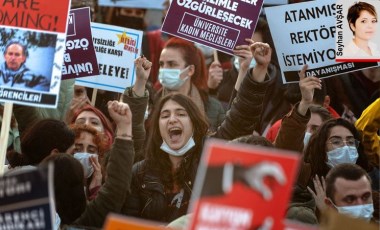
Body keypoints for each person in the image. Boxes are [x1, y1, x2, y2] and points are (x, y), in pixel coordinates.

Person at [121, 40, 272, 223]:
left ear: (194, 124)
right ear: (156, 126)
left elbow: (240, 120)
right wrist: (139, 83)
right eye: (165, 115)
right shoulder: (140, 173)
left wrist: (259, 71)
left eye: (181, 114)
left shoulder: (210, 157)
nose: (172, 119)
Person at [154, 37, 226, 132]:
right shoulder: (152, 102)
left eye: (172, 64)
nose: (164, 69)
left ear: (190, 70)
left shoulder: (213, 107)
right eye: (162, 64)